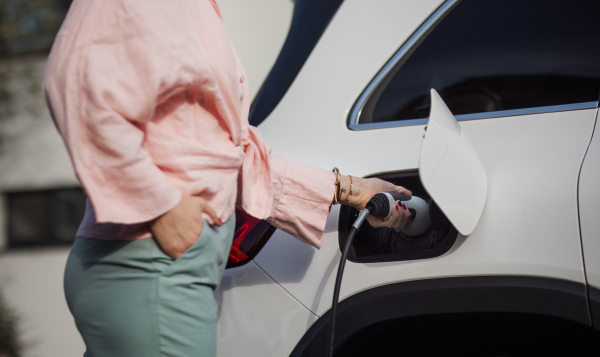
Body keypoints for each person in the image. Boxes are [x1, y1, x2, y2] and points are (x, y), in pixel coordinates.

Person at [44, 0, 413, 356]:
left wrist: (350, 189)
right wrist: (161, 206)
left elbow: (233, 156)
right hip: (149, 263)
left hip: (168, 266)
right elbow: (75, 84)